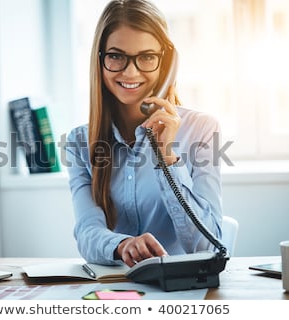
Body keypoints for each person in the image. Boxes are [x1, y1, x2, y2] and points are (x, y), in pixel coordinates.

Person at [64, 0, 223, 267]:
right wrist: (124, 245)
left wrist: (167, 158)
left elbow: (207, 245)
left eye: (147, 57)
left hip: (184, 289)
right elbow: (87, 232)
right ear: (100, 60)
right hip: (117, 289)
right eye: (116, 56)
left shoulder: (202, 129)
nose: (131, 72)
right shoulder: (79, 142)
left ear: (167, 63)